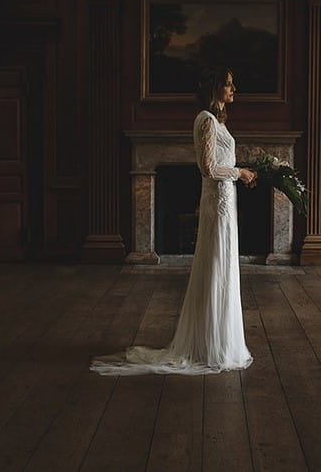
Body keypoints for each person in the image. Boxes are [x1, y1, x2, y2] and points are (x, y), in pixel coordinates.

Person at [90, 66, 256, 376]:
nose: (234, 89)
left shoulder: (217, 120)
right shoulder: (205, 120)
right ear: (215, 87)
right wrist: (240, 173)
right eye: (229, 84)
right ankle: (210, 344)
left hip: (223, 202)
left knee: (223, 266)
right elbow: (207, 168)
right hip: (218, 202)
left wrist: (240, 174)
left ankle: (221, 341)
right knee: (215, 265)